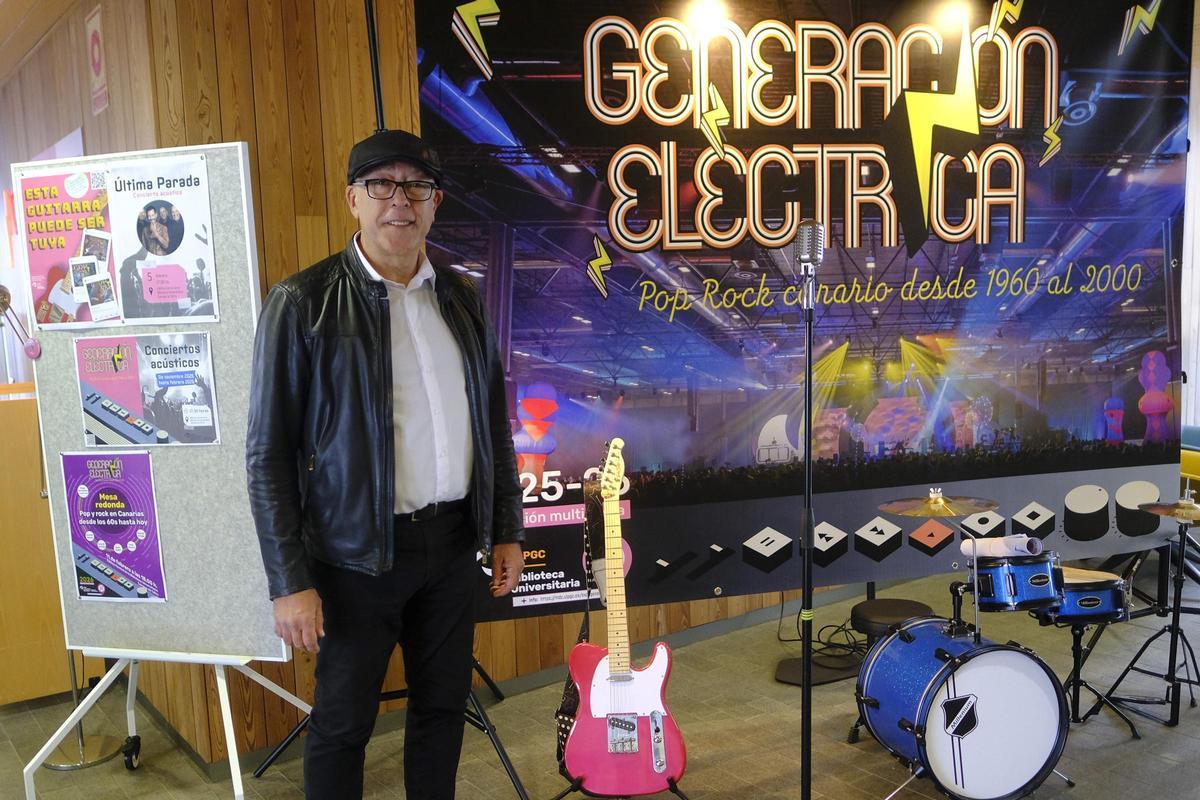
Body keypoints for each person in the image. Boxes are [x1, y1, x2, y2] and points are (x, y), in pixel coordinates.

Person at [246, 128, 525, 800]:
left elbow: (492, 423)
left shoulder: (459, 299)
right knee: (343, 725)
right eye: (381, 185)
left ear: (435, 202)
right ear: (353, 199)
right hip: (354, 561)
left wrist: (507, 527)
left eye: (416, 186)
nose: (399, 200)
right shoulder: (302, 303)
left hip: (454, 548)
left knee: (441, 711)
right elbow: (267, 455)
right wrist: (288, 580)